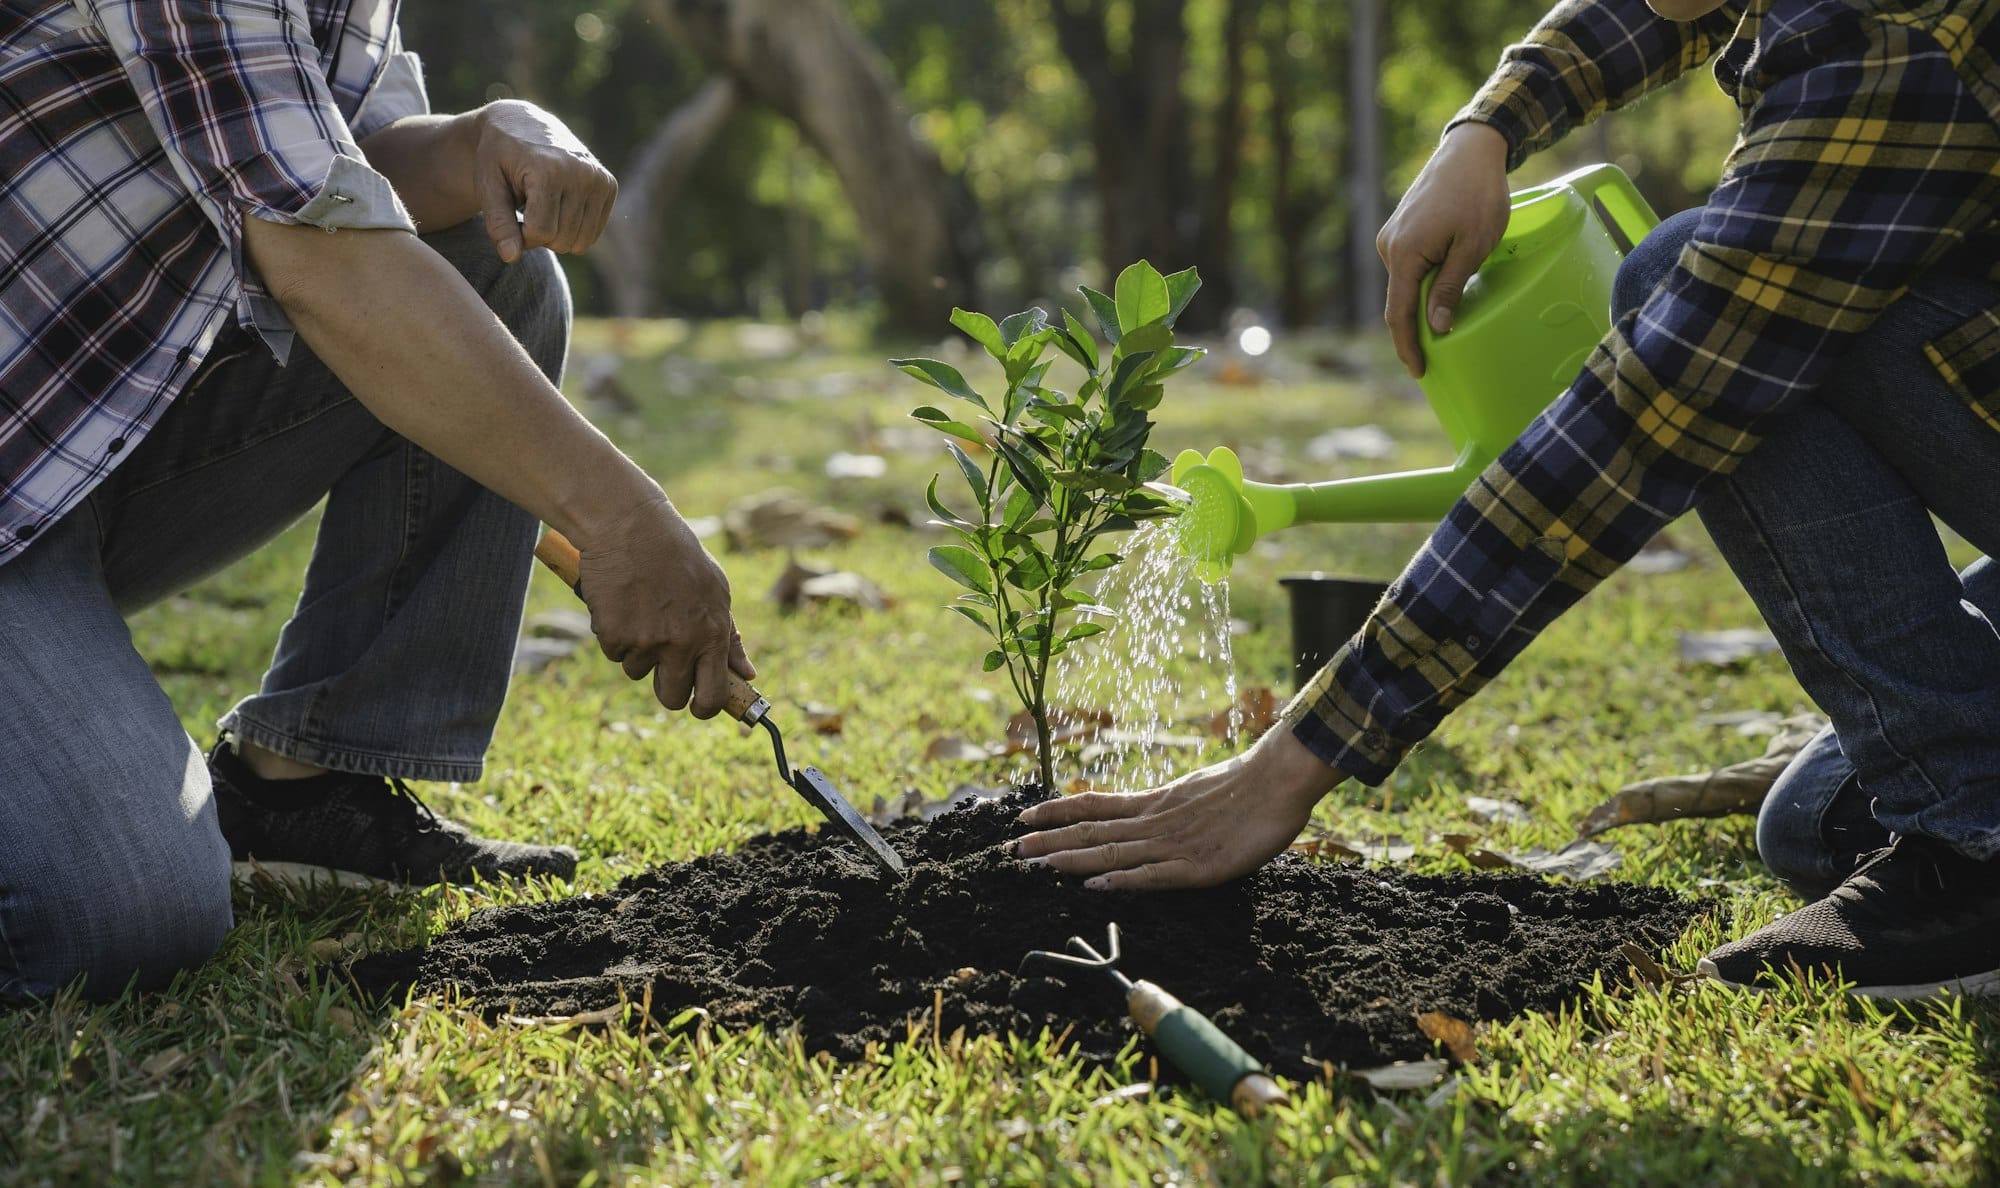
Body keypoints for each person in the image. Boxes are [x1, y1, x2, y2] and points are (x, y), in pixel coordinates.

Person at [1018, 0, 2000, 999]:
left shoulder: (1884, 45)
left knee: (1674, 280)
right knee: (1810, 818)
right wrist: (1484, 127)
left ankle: (1979, 849)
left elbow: (1634, 433)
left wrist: (1291, 760)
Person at [0, 1, 754, 1000]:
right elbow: (322, 251)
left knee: (495, 263)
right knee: (122, 913)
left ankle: (303, 787)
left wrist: (492, 132)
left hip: (69, 444)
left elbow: (340, 167)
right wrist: (618, 518)